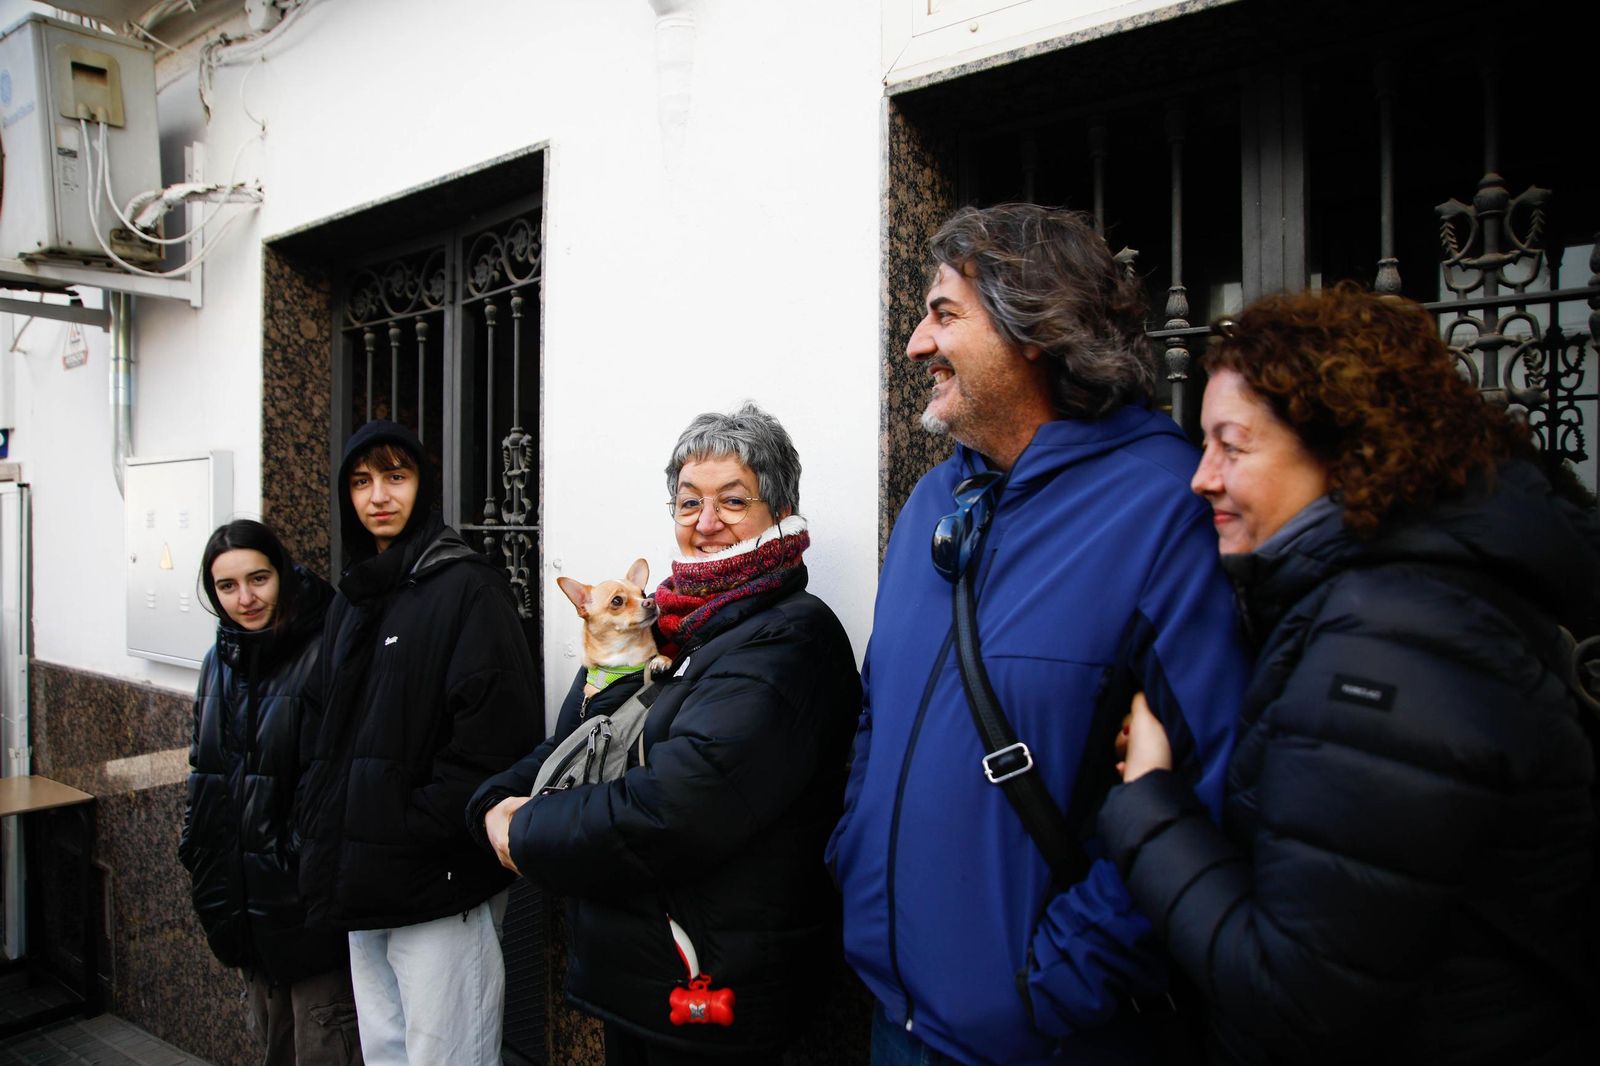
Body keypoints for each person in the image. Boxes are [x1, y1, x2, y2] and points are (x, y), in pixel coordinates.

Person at [1100, 283, 1600, 1064]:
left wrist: (1145, 804)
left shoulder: (1393, 642)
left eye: (1231, 445)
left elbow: (1297, 999)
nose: (1201, 477)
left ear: (1343, 447)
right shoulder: (1385, 600)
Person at [827, 204, 1250, 1064]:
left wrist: (1065, 976)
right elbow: (881, 712)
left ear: (1035, 331)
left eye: (944, 313)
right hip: (892, 1019)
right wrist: (855, 858)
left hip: (1051, 1036)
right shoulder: (929, 506)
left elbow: (1219, 783)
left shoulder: (1162, 504)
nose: (915, 344)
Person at [467, 402, 861, 1065]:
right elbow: (585, 736)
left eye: (733, 501)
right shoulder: (677, 624)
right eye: (688, 504)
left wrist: (525, 831)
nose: (706, 524)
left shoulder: (788, 637)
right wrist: (498, 796)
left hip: (712, 991)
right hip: (644, 974)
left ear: (779, 508)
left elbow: (676, 808)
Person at [296, 419, 540, 1066]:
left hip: (438, 882)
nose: (378, 495)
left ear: (423, 486)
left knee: (448, 1054)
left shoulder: (469, 588)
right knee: (386, 1051)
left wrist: (415, 828)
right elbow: (327, 730)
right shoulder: (354, 596)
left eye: (395, 477)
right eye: (361, 481)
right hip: (362, 877)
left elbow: (497, 741)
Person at [180, 519, 361, 1066]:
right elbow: (202, 769)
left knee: (325, 1046)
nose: (245, 598)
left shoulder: (323, 648)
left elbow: (333, 780)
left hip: (306, 910)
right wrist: (198, 850)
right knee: (272, 1048)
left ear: (281, 573)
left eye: (258, 579)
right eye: (227, 586)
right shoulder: (221, 659)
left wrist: (297, 865)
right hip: (245, 907)